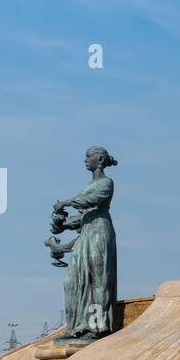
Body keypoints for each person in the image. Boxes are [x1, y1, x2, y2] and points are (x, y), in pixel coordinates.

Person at [51, 146, 118, 341]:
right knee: (72, 281)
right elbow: (81, 216)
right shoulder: (87, 186)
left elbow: (93, 201)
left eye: (88, 157)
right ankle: (76, 327)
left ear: (99, 158)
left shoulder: (106, 182)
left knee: (98, 280)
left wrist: (67, 202)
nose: (85, 160)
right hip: (86, 234)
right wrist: (61, 223)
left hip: (99, 232)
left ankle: (98, 326)